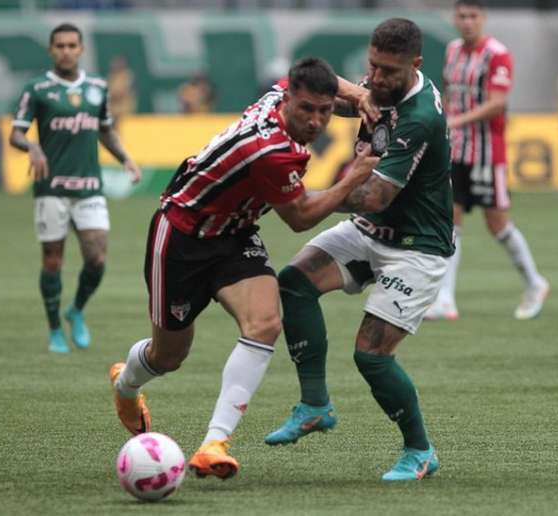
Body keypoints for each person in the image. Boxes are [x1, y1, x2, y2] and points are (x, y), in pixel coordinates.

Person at [108, 57, 379, 480]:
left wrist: (360, 96)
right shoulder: (270, 149)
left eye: (324, 111)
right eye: (306, 109)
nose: (316, 120)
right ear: (288, 101)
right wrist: (353, 177)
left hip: (233, 235)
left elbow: (322, 82)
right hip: (181, 235)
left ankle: (214, 444)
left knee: (266, 322)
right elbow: (300, 217)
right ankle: (126, 384)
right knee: (169, 355)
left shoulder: (280, 95)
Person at [265, 18, 454, 482]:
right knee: (292, 284)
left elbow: (373, 197)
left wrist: (303, 198)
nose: (379, 78)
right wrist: (359, 92)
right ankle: (314, 405)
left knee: (371, 354)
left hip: (416, 247)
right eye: (373, 67)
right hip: (372, 232)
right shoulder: (382, 86)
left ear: (416, 65)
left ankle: (420, 451)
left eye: (389, 71)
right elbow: (325, 86)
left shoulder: (420, 118)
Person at [9, 23, 141, 353]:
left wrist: (126, 157)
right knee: (53, 261)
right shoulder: (37, 88)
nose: (66, 51)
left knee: (97, 259)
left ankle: (76, 310)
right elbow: (16, 133)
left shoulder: (97, 88)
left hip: (89, 187)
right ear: (51, 50)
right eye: (59, 46)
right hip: (51, 187)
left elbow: (105, 130)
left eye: (71, 45)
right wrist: (33, 147)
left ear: (81, 49)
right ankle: (55, 329)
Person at [428, 0, 549, 321]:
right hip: (456, 150)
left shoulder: (497, 54)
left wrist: (455, 120)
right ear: (455, 18)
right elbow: (449, 92)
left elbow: (497, 104)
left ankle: (535, 283)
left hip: (486, 152)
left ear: (483, 18)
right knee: (449, 220)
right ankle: (445, 299)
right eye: (462, 16)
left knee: (497, 223)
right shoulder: (452, 50)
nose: (467, 22)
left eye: (473, 16)